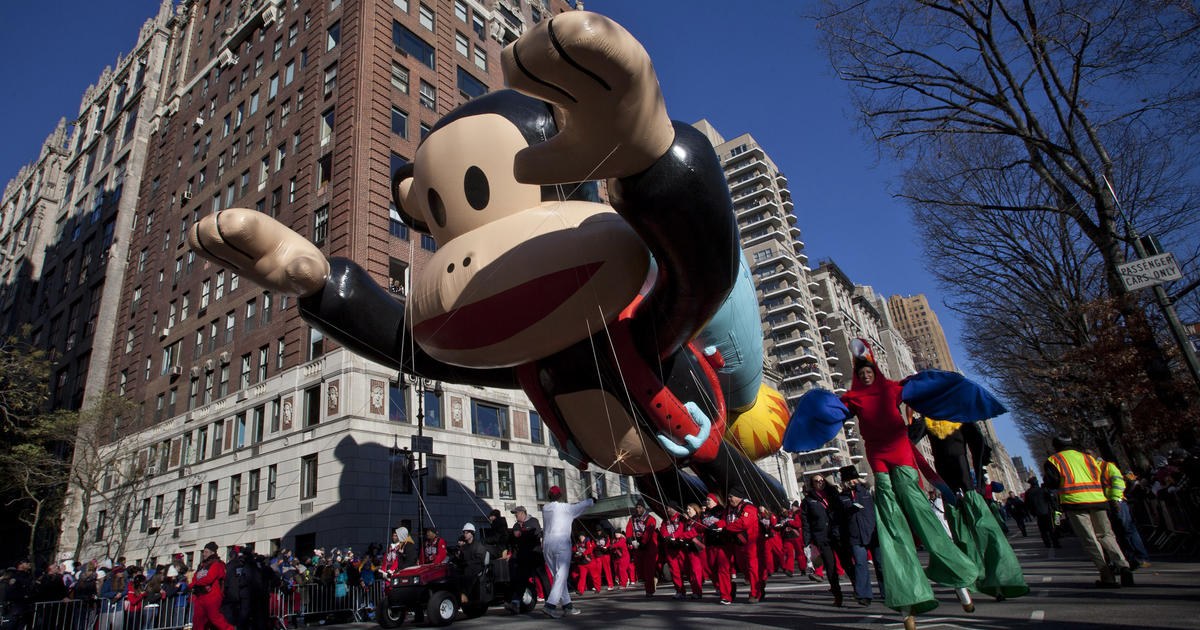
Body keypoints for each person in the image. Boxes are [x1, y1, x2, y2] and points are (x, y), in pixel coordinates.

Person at [838, 343, 979, 625]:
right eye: (862, 373)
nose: (866, 376)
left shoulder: (892, 389)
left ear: (875, 371)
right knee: (890, 519)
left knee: (918, 510)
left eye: (869, 371)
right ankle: (906, 599)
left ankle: (959, 579)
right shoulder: (853, 398)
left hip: (900, 451)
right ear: (857, 375)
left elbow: (920, 390)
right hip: (877, 455)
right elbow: (833, 411)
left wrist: (946, 385)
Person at [909, 416, 1028, 601]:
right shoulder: (927, 421)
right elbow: (910, 438)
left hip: (967, 487)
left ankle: (998, 579)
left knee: (985, 532)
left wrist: (980, 479)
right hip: (948, 488)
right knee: (962, 536)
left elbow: (978, 444)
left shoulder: (960, 418)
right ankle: (972, 578)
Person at [1043, 436, 1132, 587]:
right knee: (1106, 535)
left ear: (1055, 446)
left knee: (1090, 539)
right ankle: (1123, 565)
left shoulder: (1054, 460)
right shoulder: (1088, 458)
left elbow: (1052, 482)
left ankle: (1107, 576)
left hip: (1075, 502)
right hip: (1098, 499)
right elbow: (1100, 476)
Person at [541, 485, 594, 618]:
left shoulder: (545, 508)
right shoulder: (566, 508)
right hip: (561, 544)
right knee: (561, 576)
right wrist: (592, 500)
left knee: (558, 577)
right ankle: (550, 605)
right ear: (560, 496)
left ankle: (567, 606)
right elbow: (581, 505)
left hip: (547, 544)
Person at [803, 475, 854, 607]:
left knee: (847, 563)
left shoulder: (834, 496)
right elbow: (806, 522)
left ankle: (858, 589)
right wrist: (808, 541)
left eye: (821, 480)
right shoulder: (808, 501)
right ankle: (838, 596)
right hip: (822, 537)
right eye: (816, 481)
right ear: (812, 484)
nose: (820, 483)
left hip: (837, 534)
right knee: (830, 567)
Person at [1093, 453, 1150, 569]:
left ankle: (1140, 558)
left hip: (1116, 502)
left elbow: (1118, 483)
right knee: (1119, 532)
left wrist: (1115, 499)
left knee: (1127, 530)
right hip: (1107, 503)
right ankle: (1131, 558)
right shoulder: (1094, 469)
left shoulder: (1106, 467)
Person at [839, 466, 886, 607]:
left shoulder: (867, 492)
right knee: (860, 564)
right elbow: (839, 517)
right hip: (855, 535)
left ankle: (886, 591)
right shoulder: (842, 497)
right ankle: (864, 594)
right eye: (849, 480)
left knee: (880, 564)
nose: (852, 482)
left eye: (853, 479)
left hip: (873, 532)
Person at [724, 486, 763, 603]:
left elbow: (744, 523)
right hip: (738, 543)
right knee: (742, 566)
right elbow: (725, 519)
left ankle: (755, 593)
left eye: (731, 496)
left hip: (750, 543)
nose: (729, 498)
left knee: (753, 568)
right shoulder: (730, 509)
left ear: (739, 497)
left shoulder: (749, 508)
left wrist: (727, 528)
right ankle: (759, 584)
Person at [505, 505, 542, 614]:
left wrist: (522, 534)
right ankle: (515, 602)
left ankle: (551, 601)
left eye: (516, 513)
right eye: (515, 513)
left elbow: (536, 533)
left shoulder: (533, 521)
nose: (515, 515)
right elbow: (514, 538)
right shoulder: (516, 525)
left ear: (522, 513)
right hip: (523, 557)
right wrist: (510, 552)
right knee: (522, 579)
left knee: (542, 577)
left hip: (535, 555)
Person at [192, 541, 234, 630]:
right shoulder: (202, 565)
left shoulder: (217, 564)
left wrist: (196, 583)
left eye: (206, 552)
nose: (204, 554)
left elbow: (210, 578)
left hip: (212, 596)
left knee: (216, 619)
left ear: (212, 552)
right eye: (203, 552)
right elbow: (195, 578)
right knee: (198, 621)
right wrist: (192, 585)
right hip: (201, 597)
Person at [700, 493, 732, 604]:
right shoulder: (704, 514)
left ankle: (725, 596)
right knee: (712, 568)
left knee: (722, 569)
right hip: (709, 544)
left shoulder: (721, 511)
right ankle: (721, 587)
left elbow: (725, 521)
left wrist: (717, 525)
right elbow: (699, 526)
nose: (707, 502)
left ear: (715, 501)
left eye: (709, 500)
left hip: (721, 543)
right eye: (707, 500)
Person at [660, 505, 696, 599]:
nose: (667, 510)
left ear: (674, 508)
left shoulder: (681, 518)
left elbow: (681, 529)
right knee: (674, 570)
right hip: (670, 548)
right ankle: (680, 591)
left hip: (681, 547)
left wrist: (673, 536)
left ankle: (695, 590)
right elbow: (663, 530)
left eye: (669, 508)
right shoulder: (665, 520)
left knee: (687, 569)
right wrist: (667, 537)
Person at [625, 500, 658, 597]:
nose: (638, 509)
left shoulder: (650, 519)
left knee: (648, 569)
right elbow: (629, 529)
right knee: (640, 568)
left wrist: (643, 543)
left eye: (640, 507)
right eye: (637, 507)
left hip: (648, 546)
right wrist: (629, 540)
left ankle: (650, 590)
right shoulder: (632, 519)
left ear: (644, 508)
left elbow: (649, 532)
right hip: (637, 545)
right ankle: (651, 580)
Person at [455, 523, 489, 600]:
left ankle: (464, 594)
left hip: (476, 567)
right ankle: (456, 593)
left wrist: (467, 563)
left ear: (472, 533)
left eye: (467, 533)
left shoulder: (478, 545)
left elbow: (480, 559)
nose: (465, 534)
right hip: (467, 566)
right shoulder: (464, 547)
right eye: (464, 533)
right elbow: (460, 558)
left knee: (468, 571)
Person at [1024, 478, 1059, 549]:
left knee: (1042, 530)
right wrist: (1055, 508)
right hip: (1046, 511)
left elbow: (1027, 504)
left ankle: (1047, 543)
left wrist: (1031, 512)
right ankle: (1055, 543)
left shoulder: (1028, 492)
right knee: (1051, 528)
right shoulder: (1043, 490)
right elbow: (1050, 499)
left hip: (1037, 513)